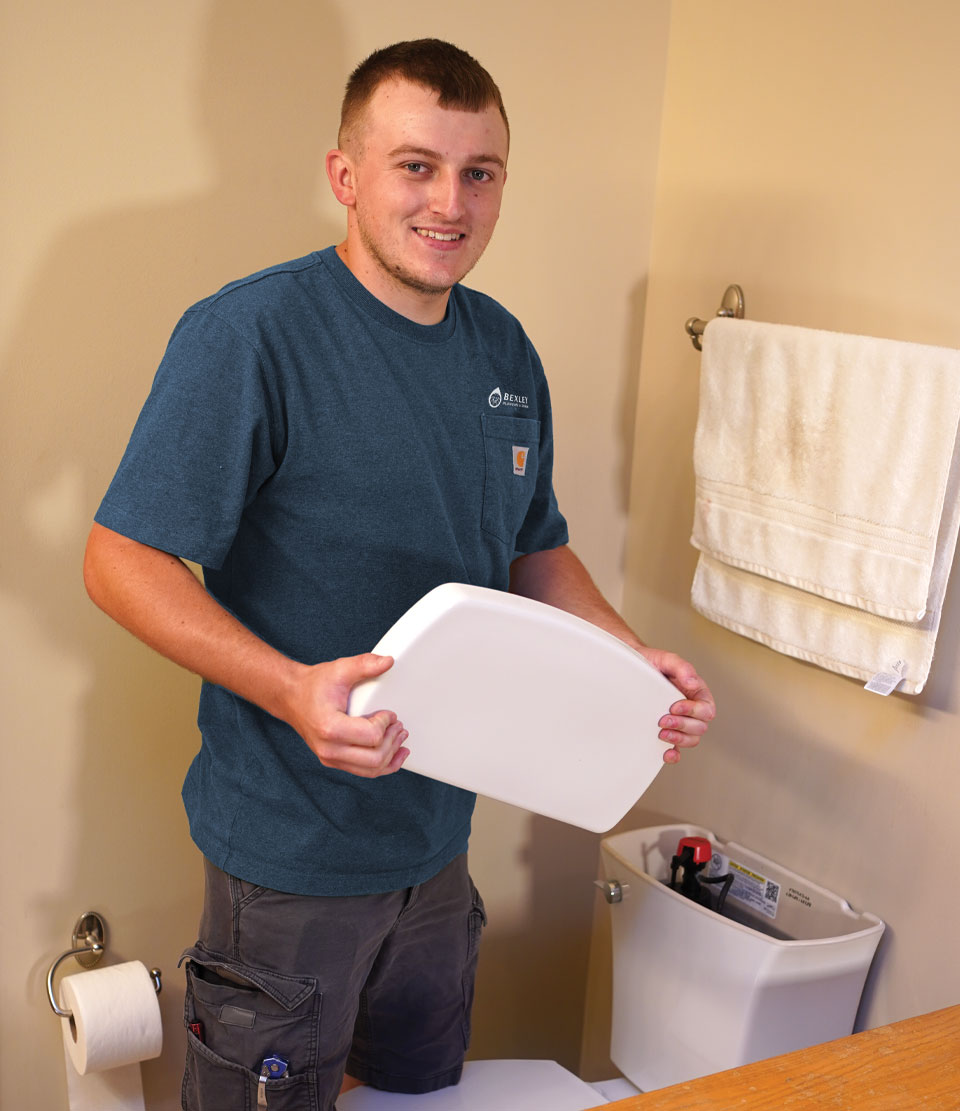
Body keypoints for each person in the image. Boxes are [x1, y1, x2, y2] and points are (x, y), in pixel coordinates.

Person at [83, 38, 714, 1109]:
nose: (450, 202)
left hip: (437, 843)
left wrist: (626, 659)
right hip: (288, 855)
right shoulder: (252, 335)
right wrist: (289, 688)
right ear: (347, 176)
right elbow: (119, 558)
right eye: (415, 165)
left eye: (480, 173)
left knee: (413, 1096)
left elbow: (532, 544)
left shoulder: (503, 353)